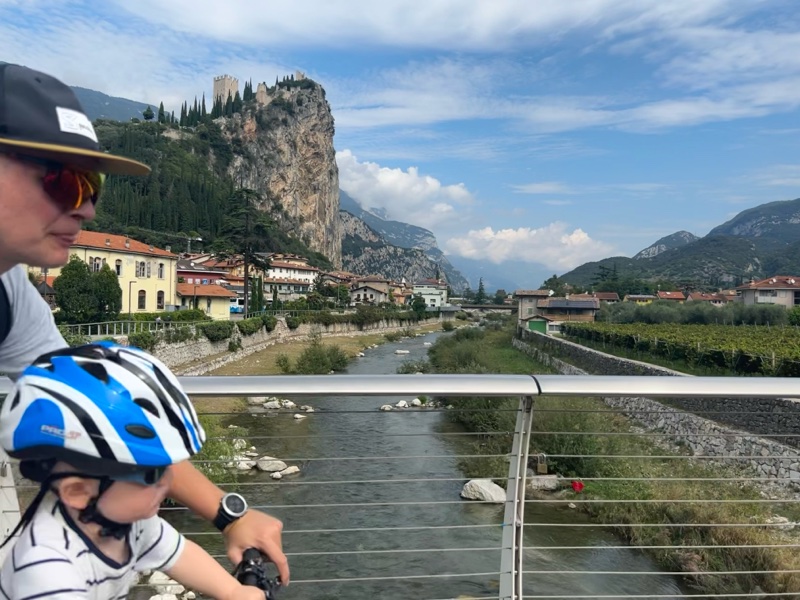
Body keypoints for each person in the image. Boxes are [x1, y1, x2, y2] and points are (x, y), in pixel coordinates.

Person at [0, 62, 289, 583]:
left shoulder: (9, 292)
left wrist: (229, 514)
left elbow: (103, 416)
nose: (87, 210)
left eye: (94, 185)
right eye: (65, 181)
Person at [0, 342, 267, 599]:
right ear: (78, 491)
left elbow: (179, 554)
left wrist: (233, 591)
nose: (170, 481)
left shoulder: (127, 521)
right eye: (152, 474)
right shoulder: (46, 571)